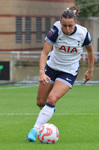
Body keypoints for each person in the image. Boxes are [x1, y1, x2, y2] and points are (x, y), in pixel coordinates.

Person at [26, 6, 94, 142]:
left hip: (68, 71)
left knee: (51, 99)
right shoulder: (56, 30)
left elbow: (90, 51)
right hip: (51, 68)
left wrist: (90, 70)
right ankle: (49, 109)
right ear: (60, 23)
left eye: (70, 26)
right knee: (40, 102)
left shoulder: (83, 33)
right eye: (64, 26)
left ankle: (34, 130)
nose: (67, 29)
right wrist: (41, 73)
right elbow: (44, 52)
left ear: (75, 23)